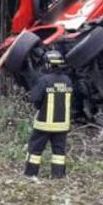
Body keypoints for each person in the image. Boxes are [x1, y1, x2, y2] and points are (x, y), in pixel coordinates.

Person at [25, 50, 73, 179]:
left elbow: (36, 99)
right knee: (59, 152)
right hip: (62, 125)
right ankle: (58, 175)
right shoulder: (67, 80)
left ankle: (30, 173)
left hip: (44, 124)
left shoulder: (44, 80)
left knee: (35, 150)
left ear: (48, 64)